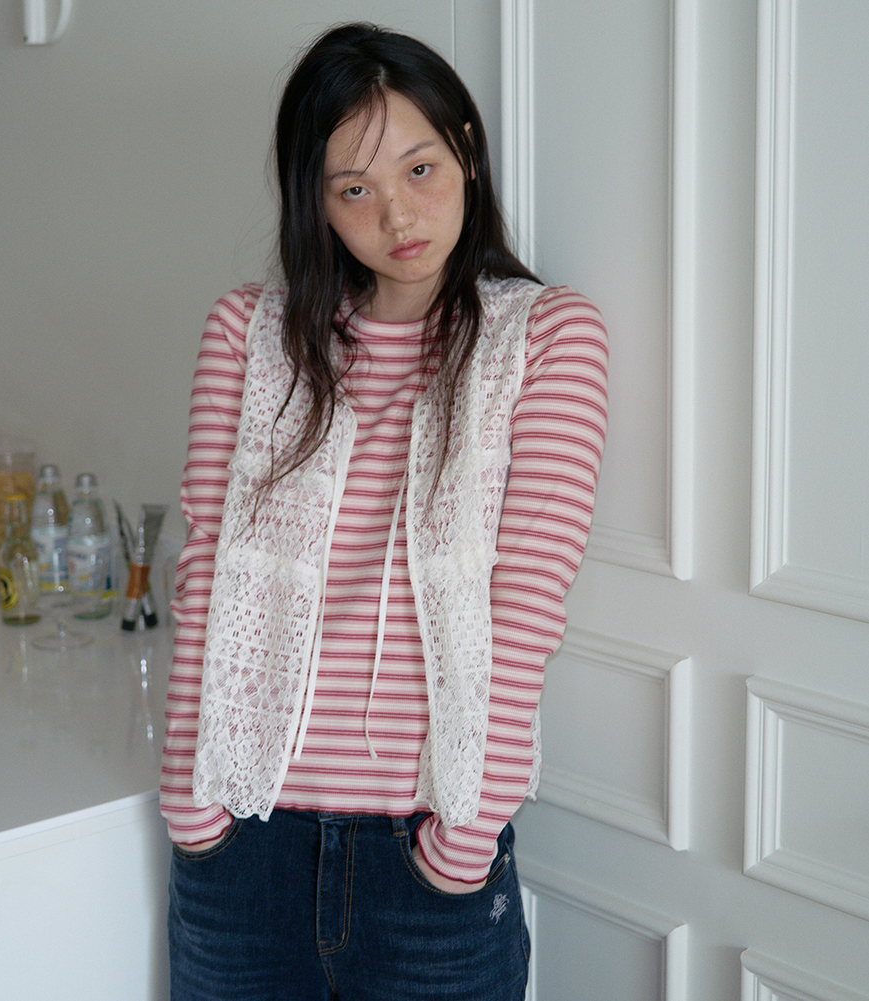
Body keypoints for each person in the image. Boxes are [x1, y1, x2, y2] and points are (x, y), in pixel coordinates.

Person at [161, 21, 608, 1001]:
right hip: (243, 849)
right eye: (353, 189)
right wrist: (191, 809)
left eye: (419, 168)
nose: (397, 213)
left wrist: (461, 844)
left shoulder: (545, 337)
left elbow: (526, 605)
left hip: (426, 860)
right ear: (315, 203)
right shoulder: (249, 334)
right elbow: (206, 571)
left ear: (466, 152)